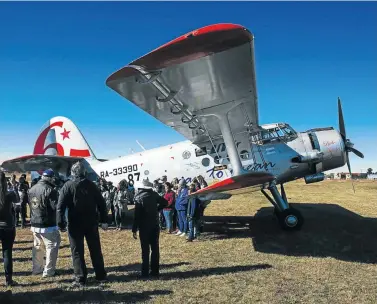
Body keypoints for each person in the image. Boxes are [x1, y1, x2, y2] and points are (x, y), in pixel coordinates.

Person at [57, 161, 108, 288]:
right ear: (84, 172)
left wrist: (60, 223)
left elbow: (60, 206)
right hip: (91, 222)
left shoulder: (67, 185)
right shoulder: (92, 185)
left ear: (73, 173)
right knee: (95, 249)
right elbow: (102, 203)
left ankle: (80, 277)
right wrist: (104, 220)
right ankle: (100, 275)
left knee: (77, 251)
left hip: (75, 223)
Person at [132, 178, 168, 279]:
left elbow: (137, 215)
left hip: (144, 226)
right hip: (155, 225)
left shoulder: (139, 197)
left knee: (145, 250)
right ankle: (155, 271)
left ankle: (145, 272)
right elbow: (165, 202)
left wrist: (134, 229)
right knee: (155, 249)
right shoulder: (154, 194)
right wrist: (157, 210)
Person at [28, 169, 61, 278]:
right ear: (50, 178)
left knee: (38, 247)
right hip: (47, 224)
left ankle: (37, 269)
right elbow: (55, 207)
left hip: (34, 222)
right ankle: (49, 271)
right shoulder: (50, 190)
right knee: (51, 247)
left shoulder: (32, 189)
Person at [0, 172, 17, 287]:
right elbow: (18, 199)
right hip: (7, 226)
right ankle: (8, 280)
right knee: (7, 253)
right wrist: (13, 185)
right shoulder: (10, 194)